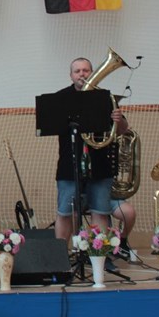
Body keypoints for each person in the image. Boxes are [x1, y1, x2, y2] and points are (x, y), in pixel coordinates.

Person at [54, 57, 129, 242]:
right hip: (69, 165)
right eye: (77, 71)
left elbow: (122, 130)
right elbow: (50, 125)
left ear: (92, 72)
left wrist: (119, 119)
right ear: (71, 75)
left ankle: (99, 254)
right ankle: (61, 255)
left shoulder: (105, 97)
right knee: (64, 213)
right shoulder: (61, 98)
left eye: (86, 70)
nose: (82, 74)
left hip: (100, 164)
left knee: (100, 212)